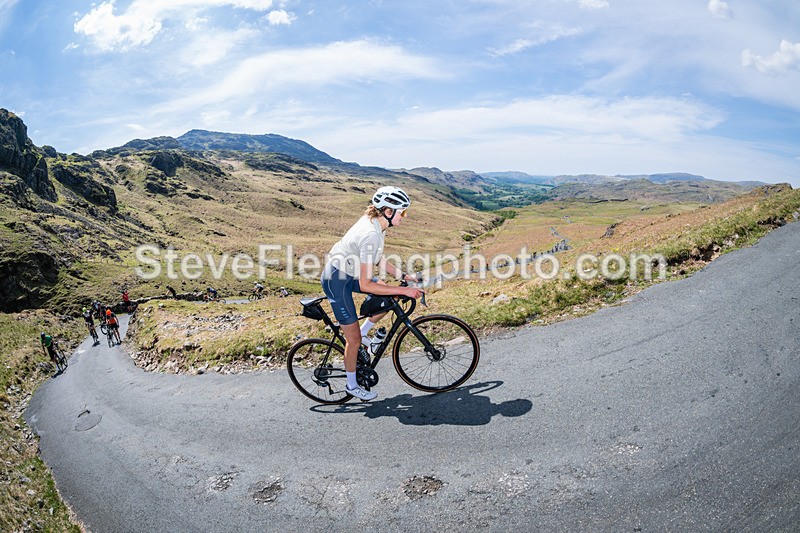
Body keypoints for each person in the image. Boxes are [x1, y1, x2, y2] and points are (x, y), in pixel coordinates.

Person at [321, 186, 423, 401]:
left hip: (350, 272)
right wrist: (405, 289)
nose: (405, 216)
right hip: (337, 281)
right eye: (402, 212)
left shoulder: (378, 226)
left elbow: (378, 259)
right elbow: (367, 284)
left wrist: (403, 276)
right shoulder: (370, 234)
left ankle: (367, 331)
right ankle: (351, 384)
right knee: (353, 339)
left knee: (390, 294)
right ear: (388, 211)